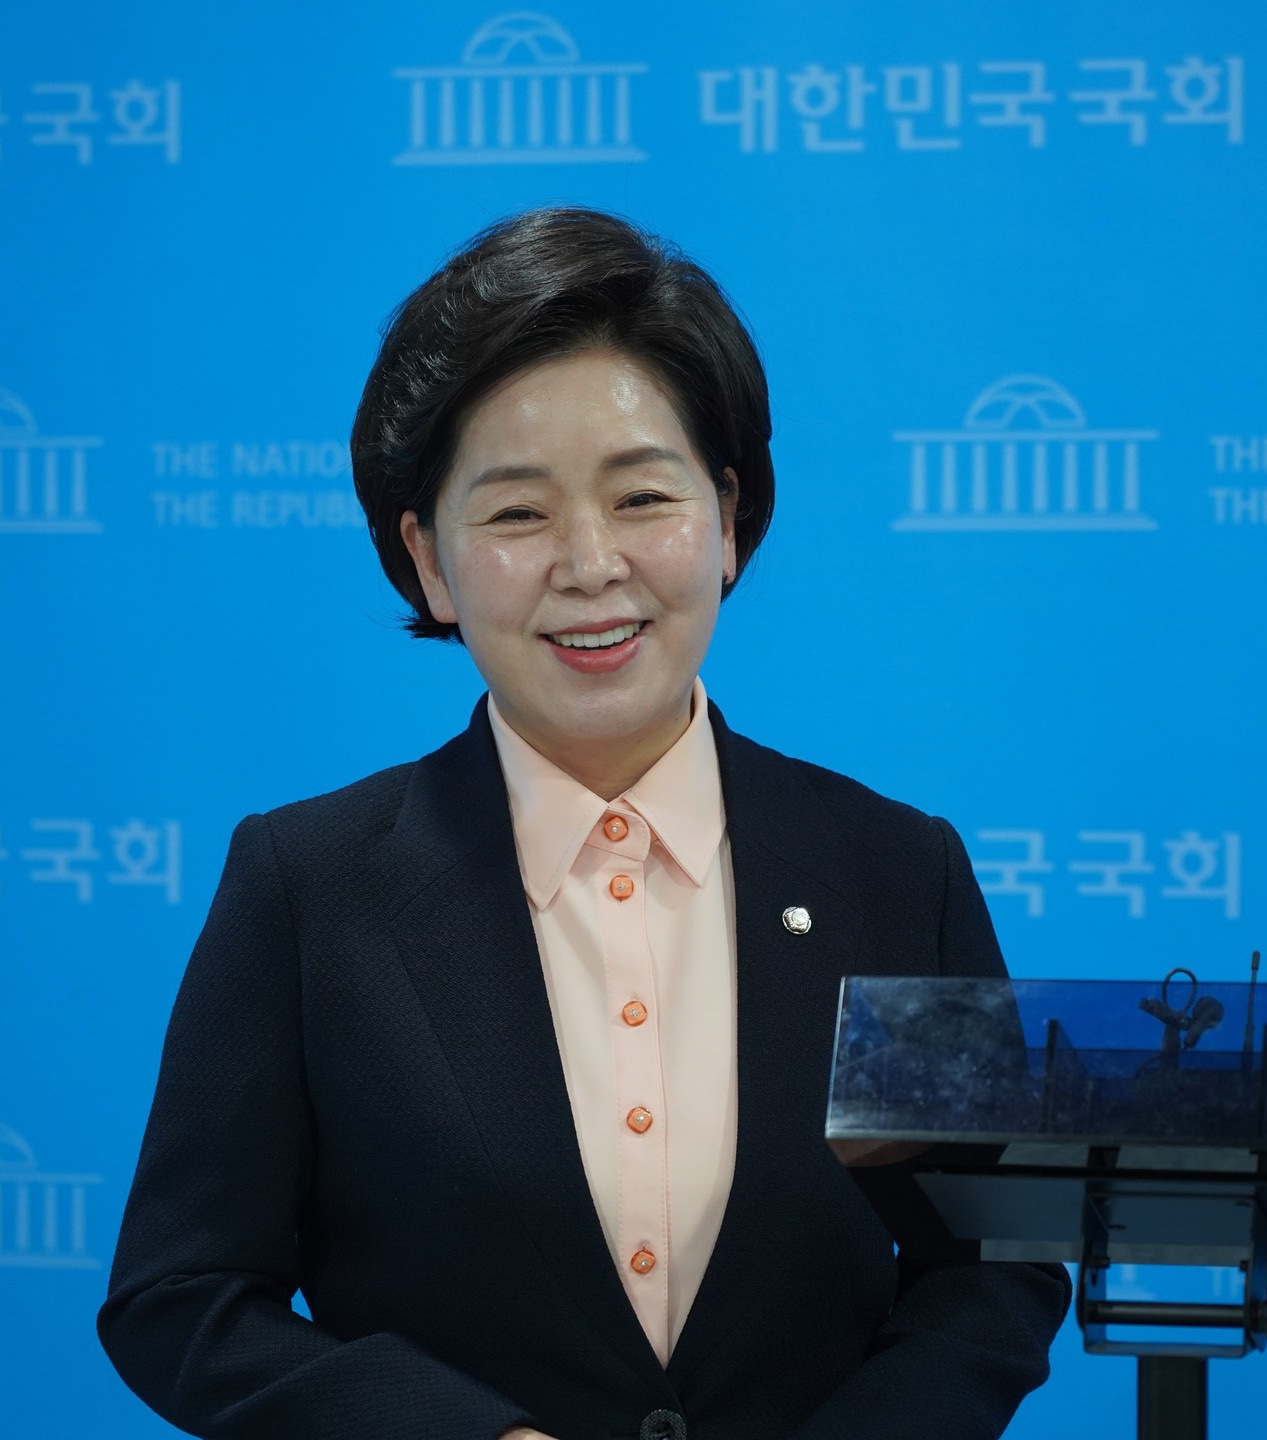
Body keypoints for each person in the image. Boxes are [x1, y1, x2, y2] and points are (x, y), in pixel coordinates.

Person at [97, 207, 1069, 1440]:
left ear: (728, 520)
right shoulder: (309, 887)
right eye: (517, 514)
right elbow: (183, 1298)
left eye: (642, 496)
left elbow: (992, 1265)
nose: (591, 563)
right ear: (429, 562)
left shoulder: (894, 870)